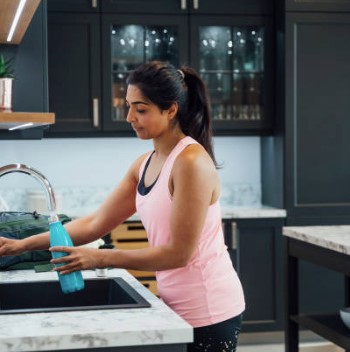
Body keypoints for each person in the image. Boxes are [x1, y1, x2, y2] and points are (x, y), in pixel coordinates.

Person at [0, 61, 245, 351]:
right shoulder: (144, 164)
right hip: (173, 306)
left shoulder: (191, 163)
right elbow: (95, 224)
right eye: (128, 106)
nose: (130, 117)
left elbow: (180, 254)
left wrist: (102, 259)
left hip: (210, 311)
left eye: (140, 109)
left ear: (171, 110)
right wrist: (20, 246)